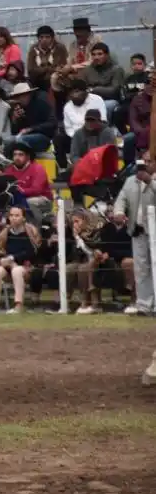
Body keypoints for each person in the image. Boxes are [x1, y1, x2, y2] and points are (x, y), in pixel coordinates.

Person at [114, 156, 156, 315]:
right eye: (143, 161)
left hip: (154, 231)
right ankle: (144, 305)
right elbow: (121, 199)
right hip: (137, 230)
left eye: (149, 161)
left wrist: (150, 182)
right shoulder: (130, 181)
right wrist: (118, 212)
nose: (145, 164)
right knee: (140, 268)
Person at [0, 206, 41, 313]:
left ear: (23, 218)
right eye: (11, 215)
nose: (13, 218)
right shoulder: (5, 232)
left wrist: (13, 258)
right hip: (8, 267)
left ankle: (18, 305)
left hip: (27, 267)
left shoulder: (30, 230)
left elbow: (32, 252)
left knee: (17, 270)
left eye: (17, 215)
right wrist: (3, 260)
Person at [58, 78, 107, 168]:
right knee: (58, 138)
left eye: (76, 92)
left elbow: (103, 121)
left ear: (85, 92)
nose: (74, 95)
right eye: (71, 93)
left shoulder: (96, 100)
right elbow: (68, 128)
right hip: (76, 137)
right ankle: (63, 168)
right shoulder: (68, 107)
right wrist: (77, 136)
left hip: (95, 133)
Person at [3, 141, 53, 225]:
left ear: (28, 157)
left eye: (20, 154)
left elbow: (37, 190)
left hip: (43, 199)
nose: (17, 157)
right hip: (17, 199)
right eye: (15, 154)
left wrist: (19, 190)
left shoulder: (37, 168)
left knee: (29, 202)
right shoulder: (9, 170)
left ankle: (35, 230)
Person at [6, 82, 56, 154]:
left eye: (21, 96)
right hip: (24, 136)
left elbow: (52, 123)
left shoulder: (40, 103)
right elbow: (15, 132)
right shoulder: (17, 108)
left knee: (21, 140)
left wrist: (31, 129)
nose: (19, 99)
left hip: (44, 137)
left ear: (28, 94)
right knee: (7, 140)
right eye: (17, 97)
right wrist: (15, 119)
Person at [80, 42, 125, 117]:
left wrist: (93, 90)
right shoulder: (87, 70)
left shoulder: (116, 69)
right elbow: (82, 88)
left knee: (106, 106)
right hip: (90, 100)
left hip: (109, 100)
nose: (96, 57)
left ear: (107, 55)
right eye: (93, 55)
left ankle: (105, 128)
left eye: (100, 54)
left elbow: (114, 91)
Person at [26, 26, 68, 93]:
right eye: (41, 37)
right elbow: (31, 70)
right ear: (38, 38)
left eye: (47, 37)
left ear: (52, 38)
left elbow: (60, 67)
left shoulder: (59, 48)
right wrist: (48, 69)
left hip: (54, 80)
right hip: (37, 81)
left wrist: (42, 69)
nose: (44, 39)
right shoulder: (33, 49)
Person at [127, 74, 154, 165]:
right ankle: (132, 165)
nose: (150, 87)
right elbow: (133, 119)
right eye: (148, 84)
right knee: (128, 138)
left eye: (153, 85)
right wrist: (142, 131)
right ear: (144, 86)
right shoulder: (137, 99)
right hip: (141, 133)